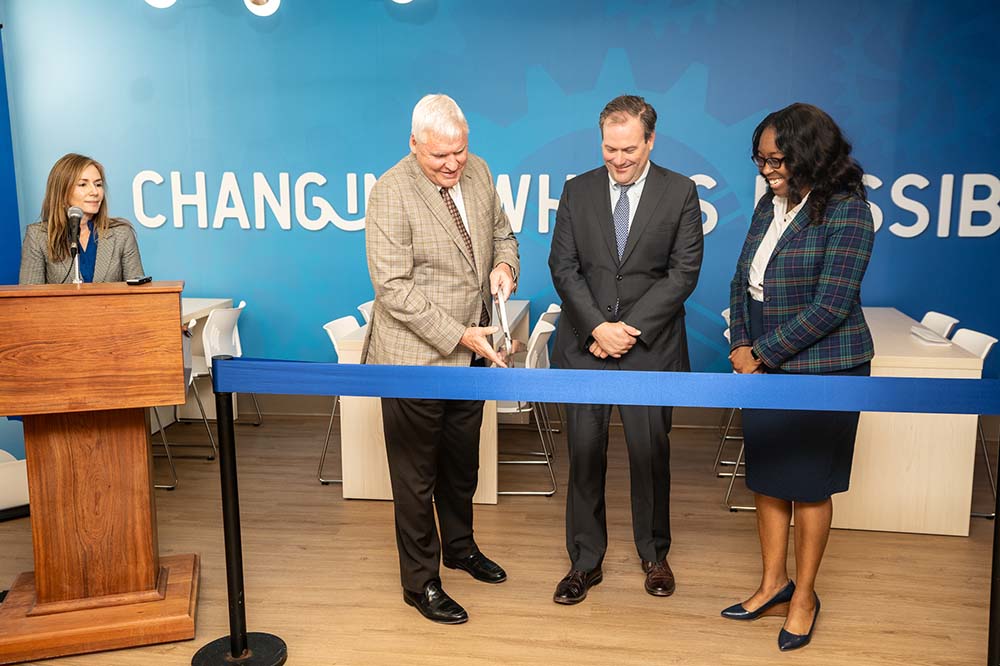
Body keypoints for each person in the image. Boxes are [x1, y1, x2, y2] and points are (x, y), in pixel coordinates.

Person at [722, 102, 875, 651]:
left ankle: (805, 597)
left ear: (811, 153)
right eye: (762, 160)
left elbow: (833, 304)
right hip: (761, 354)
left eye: (779, 160)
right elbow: (743, 278)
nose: (768, 170)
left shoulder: (849, 210)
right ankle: (773, 584)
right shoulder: (771, 203)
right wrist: (741, 341)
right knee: (766, 478)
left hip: (826, 365)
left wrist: (761, 352)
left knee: (809, 487)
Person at [362, 94, 520, 625]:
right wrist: (460, 335)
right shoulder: (389, 192)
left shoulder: (478, 171)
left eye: (460, 151)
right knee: (416, 478)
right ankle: (421, 582)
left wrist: (504, 266)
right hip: (414, 357)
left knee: (461, 466)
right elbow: (393, 289)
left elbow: (502, 232)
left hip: (471, 359)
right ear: (414, 145)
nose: (453, 164)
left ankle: (461, 547)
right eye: (439, 157)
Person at [547, 95, 704, 604]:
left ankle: (655, 555)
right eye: (610, 149)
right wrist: (597, 326)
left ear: (651, 140)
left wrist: (628, 328)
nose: (618, 159)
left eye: (629, 149)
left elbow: (683, 274)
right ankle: (583, 562)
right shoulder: (577, 191)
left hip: (649, 349)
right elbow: (563, 267)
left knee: (650, 456)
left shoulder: (680, 192)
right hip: (585, 347)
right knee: (585, 455)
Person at [19, 153, 144, 284]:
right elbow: (30, 299)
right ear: (61, 193)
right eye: (83, 185)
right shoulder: (38, 236)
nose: (95, 192)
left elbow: (138, 296)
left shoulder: (121, 234)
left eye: (98, 184)